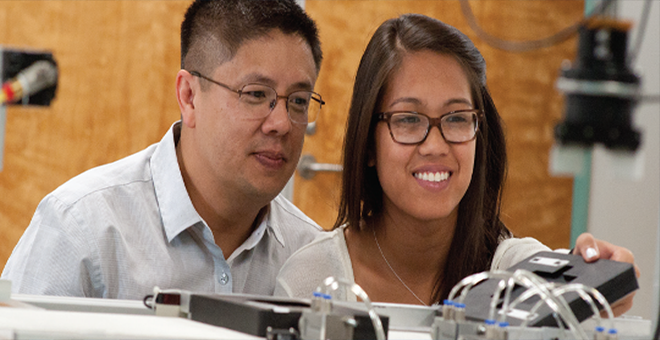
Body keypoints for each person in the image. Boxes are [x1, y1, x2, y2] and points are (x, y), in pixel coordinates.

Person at [274, 13, 638, 316]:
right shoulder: (312, 279)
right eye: (408, 119)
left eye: (457, 118)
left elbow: (595, 287)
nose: (436, 146)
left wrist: (608, 274)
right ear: (368, 142)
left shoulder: (515, 273)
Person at [2, 0, 324, 300]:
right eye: (255, 94)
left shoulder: (311, 257)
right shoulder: (83, 229)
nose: (282, 123)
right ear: (189, 96)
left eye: (298, 101)